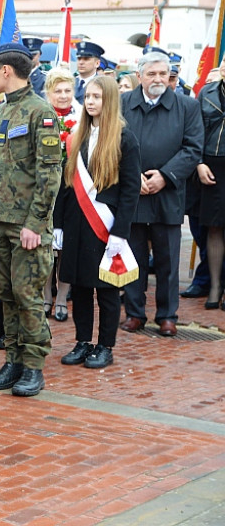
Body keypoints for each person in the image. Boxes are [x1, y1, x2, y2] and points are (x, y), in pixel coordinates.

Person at [0, 42, 61, 398]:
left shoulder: (40, 112)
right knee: (6, 295)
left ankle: (33, 366)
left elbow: (50, 173)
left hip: (25, 226)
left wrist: (35, 223)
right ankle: (12, 359)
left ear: (6, 71)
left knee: (27, 296)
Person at [56, 75, 141, 369]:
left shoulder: (123, 137)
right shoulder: (77, 133)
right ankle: (82, 341)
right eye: (88, 96)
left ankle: (105, 345)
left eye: (97, 97)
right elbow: (66, 185)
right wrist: (57, 225)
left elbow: (130, 190)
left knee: (105, 289)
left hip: (104, 225)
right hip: (77, 223)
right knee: (79, 286)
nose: (91, 102)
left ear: (110, 100)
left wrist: (120, 232)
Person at [119, 51, 202, 336]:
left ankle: (167, 315)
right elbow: (112, 143)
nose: (157, 79)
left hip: (168, 193)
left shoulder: (187, 106)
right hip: (133, 192)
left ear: (170, 77)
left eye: (162, 74)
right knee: (134, 257)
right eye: (151, 73)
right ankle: (134, 313)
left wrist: (165, 176)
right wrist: (133, 177)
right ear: (139, 75)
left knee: (167, 260)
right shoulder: (123, 103)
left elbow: (193, 148)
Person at [44, 68, 81, 322]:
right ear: (49, 93)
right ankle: (46, 294)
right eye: (58, 91)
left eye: (67, 90)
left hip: (73, 189)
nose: (63, 95)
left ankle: (61, 298)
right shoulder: (40, 115)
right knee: (47, 245)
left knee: (67, 248)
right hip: (47, 190)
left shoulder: (82, 117)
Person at [197, 72, 225, 308]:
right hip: (212, 164)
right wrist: (198, 163)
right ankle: (215, 286)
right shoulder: (206, 92)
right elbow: (195, 131)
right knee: (214, 227)